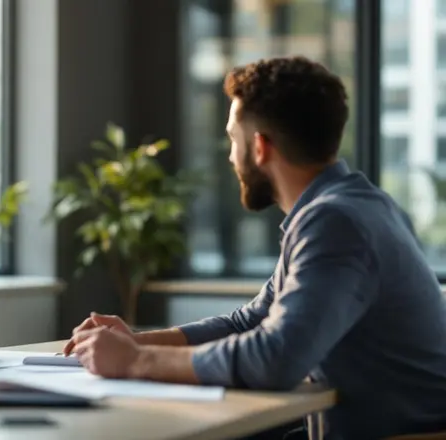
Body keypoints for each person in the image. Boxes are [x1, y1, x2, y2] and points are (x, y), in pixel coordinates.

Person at [63, 56, 446, 439]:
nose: (230, 156)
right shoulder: (352, 206)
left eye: (233, 138)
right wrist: (136, 340)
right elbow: (252, 320)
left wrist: (135, 361)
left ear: (260, 147)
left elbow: (276, 359)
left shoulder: (336, 222)